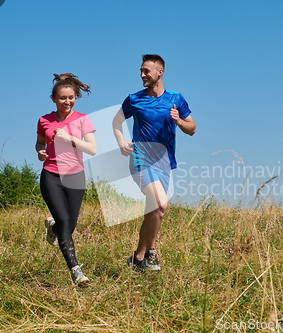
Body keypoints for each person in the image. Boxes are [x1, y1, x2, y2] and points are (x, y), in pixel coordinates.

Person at [112, 54, 196, 271]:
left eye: (146, 71)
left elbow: (192, 129)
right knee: (161, 205)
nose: (142, 75)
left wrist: (178, 120)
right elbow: (117, 121)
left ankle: (137, 259)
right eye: (141, 71)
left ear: (160, 72)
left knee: (154, 211)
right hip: (141, 160)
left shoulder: (176, 98)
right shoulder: (134, 99)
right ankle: (151, 253)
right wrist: (121, 142)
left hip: (165, 163)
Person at [36, 73, 97, 285]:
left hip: (75, 176)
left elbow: (92, 149)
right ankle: (76, 271)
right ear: (53, 98)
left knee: (69, 226)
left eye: (71, 97)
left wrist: (70, 138)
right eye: (62, 98)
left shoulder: (82, 119)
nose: (67, 101)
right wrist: (40, 152)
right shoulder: (44, 120)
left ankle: (52, 227)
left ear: (75, 98)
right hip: (51, 174)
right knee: (64, 221)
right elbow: (40, 143)